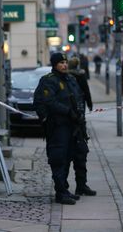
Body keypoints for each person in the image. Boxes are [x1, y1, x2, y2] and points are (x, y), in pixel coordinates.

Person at [33, 52, 84, 205]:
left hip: (72, 126)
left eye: (65, 62)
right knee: (58, 159)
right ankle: (60, 192)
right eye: (61, 63)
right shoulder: (48, 81)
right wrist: (67, 111)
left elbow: (78, 97)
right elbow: (48, 102)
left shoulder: (70, 79)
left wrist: (78, 114)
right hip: (57, 126)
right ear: (55, 65)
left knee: (68, 157)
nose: (64, 65)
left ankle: (64, 189)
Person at [66, 57, 97, 197]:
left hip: (78, 119)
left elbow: (84, 90)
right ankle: (66, 188)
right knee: (66, 157)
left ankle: (81, 185)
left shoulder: (72, 76)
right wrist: (89, 104)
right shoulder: (66, 78)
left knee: (81, 154)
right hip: (68, 121)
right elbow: (86, 90)